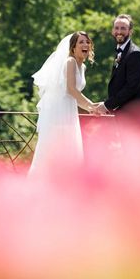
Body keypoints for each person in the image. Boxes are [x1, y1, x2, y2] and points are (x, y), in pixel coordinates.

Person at [28, 31, 98, 176]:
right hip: (59, 112)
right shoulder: (70, 62)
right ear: (73, 47)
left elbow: (74, 95)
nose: (85, 44)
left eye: (87, 42)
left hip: (69, 109)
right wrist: (91, 105)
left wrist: (92, 108)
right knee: (57, 149)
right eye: (81, 42)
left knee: (70, 148)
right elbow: (71, 89)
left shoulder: (82, 66)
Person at [97, 14, 140, 149]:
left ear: (130, 31)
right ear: (112, 31)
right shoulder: (121, 52)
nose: (119, 31)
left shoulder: (135, 54)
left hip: (136, 115)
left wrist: (106, 105)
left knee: (134, 156)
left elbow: (131, 88)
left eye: (123, 28)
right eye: (116, 28)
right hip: (127, 114)